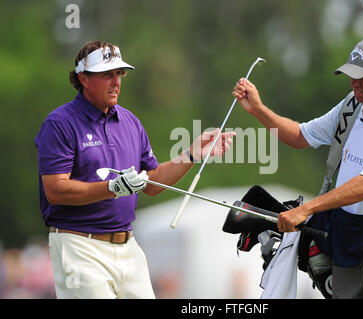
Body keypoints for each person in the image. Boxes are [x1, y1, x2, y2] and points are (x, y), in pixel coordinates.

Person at [34, 40, 235, 299]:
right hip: (79, 246)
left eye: (119, 74)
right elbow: (56, 191)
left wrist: (192, 154)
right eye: (107, 75)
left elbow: (151, 184)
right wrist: (112, 188)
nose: (116, 82)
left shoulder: (129, 121)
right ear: (83, 78)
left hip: (128, 247)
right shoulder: (60, 124)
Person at [232, 37, 363, 299]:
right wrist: (257, 109)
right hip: (349, 237)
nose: (354, 83)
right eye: (351, 76)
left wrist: (305, 210)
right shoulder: (352, 105)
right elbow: (300, 136)